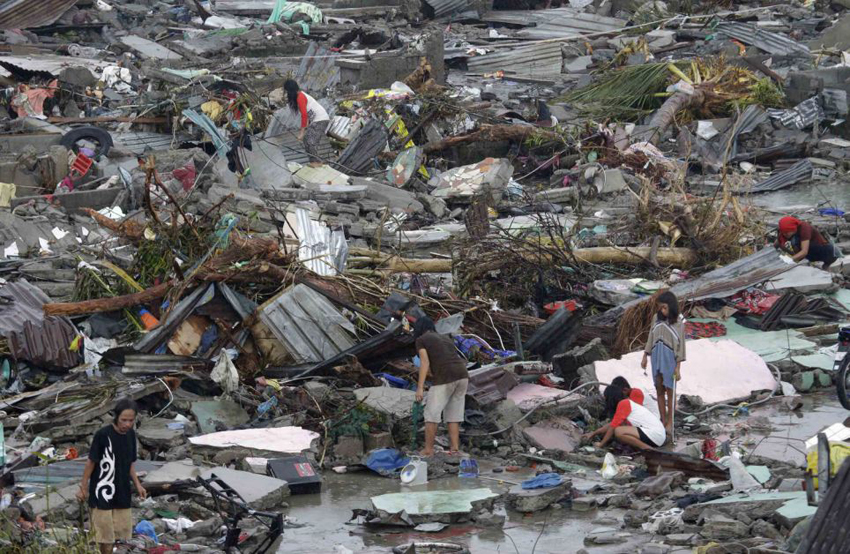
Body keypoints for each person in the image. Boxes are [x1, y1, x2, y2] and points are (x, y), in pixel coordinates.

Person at [77, 399, 147, 554]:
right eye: (124, 420)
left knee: (118, 533)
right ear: (116, 417)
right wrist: (83, 488)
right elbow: (91, 462)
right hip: (102, 491)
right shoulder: (103, 435)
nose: (127, 424)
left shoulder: (130, 435)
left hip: (122, 490)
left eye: (131, 420)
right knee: (104, 536)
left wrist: (138, 485)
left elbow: (130, 463)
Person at [414, 316, 469, 456]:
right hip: (462, 375)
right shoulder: (445, 338)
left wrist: (420, 387)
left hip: (446, 377)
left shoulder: (421, 340)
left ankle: (428, 450)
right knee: (454, 414)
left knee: (431, 414)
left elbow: (424, 363)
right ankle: (454, 449)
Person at [641, 290, 685, 440]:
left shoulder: (679, 323)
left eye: (665, 307)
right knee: (659, 389)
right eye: (660, 307)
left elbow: (681, 346)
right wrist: (645, 355)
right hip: (656, 356)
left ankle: (670, 423)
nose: (662, 310)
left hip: (669, 359)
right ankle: (662, 420)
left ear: (671, 306)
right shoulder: (656, 318)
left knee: (670, 390)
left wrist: (678, 368)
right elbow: (651, 336)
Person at [583, 383, 665, 450]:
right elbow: (612, 424)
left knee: (618, 431)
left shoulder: (624, 404)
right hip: (658, 435)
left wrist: (601, 444)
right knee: (620, 427)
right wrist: (593, 433)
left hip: (656, 435)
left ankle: (646, 448)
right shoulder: (627, 403)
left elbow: (612, 428)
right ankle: (645, 447)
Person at [283, 79, 329, 164]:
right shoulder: (300, 96)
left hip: (321, 119)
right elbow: (306, 117)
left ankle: (317, 162)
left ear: (290, 90)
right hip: (318, 120)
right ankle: (313, 162)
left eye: (287, 91)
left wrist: (301, 133)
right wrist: (306, 128)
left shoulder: (300, 97)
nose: (287, 94)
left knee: (310, 141)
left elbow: (304, 115)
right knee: (307, 140)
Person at [775, 216, 840, 269]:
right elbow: (777, 243)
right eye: (784, 232)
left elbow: (804, 252)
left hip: (827, 252)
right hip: (809, 253)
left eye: (787, 232)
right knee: (790, 242)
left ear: (793, 228)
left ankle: (825, 266)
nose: (785, 234)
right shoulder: (783, 232)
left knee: (796, 242)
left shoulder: (804, 228)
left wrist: (788, 260)